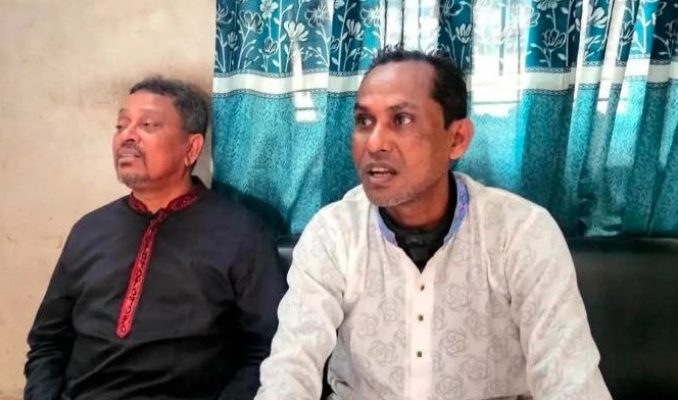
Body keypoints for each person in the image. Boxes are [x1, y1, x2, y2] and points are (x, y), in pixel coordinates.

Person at [255, 47, 612, 400]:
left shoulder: (520, 234)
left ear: (456, 139)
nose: (374, 143)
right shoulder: (334, 234)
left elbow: (570, 379)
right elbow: (291, 366)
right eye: (364, 121)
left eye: (401, 119)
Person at [25, 77, 286, 400]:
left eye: (148, 125)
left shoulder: (242, 233)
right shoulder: (89, 230)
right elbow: (48, 342)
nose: (127, 136)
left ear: (191, 148)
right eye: (121, 125)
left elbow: (269, 348)